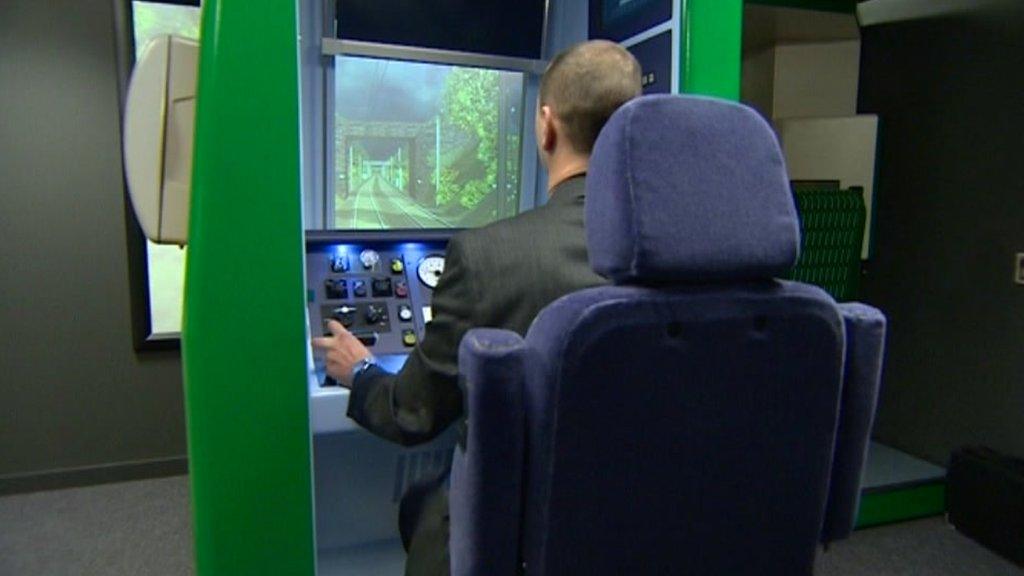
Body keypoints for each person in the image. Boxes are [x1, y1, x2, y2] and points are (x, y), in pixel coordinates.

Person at [312, 39, 643, 576]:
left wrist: (362, 370)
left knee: (425, 499)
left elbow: (414, 413)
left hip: (525, 538)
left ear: (546, 126)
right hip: (642, 523)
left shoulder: (489, 257)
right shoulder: (682, 261)